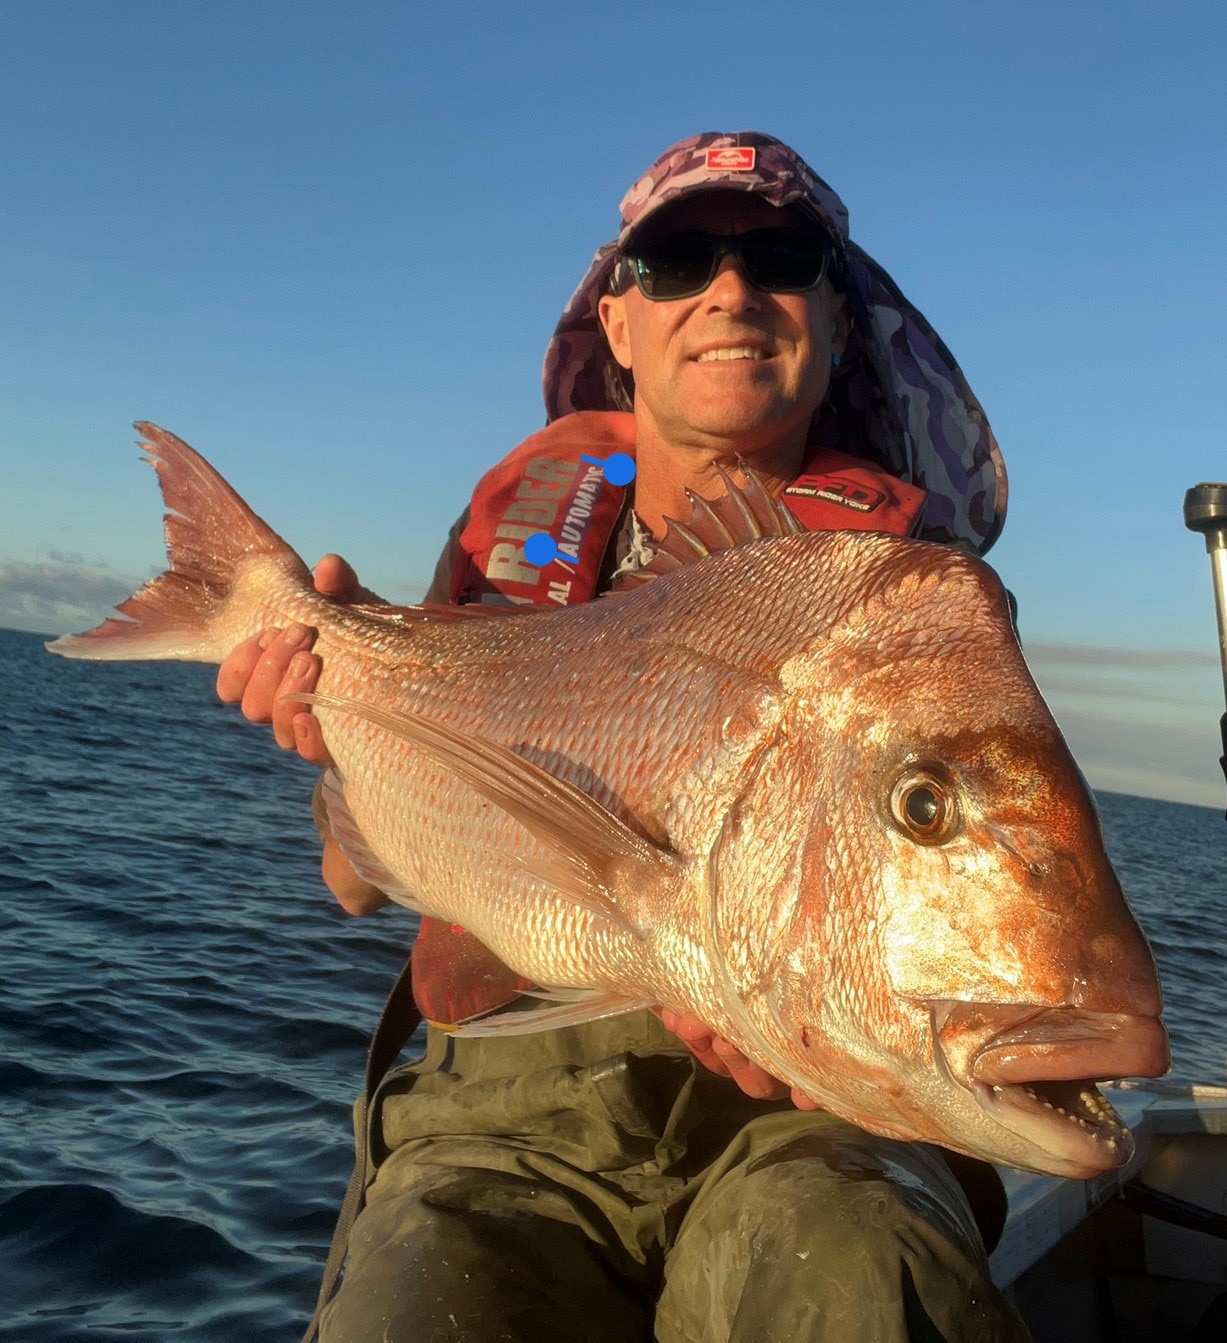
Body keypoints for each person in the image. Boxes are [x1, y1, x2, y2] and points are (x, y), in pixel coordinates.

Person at [220, 132, 1031, 1342]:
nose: (731, 290)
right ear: (617, 321)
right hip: (503, 1127)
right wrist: (336, 727)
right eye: (675, 258)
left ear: (843, 327)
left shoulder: (901, 607)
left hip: (815, 1121)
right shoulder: (504, 558)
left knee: (864, 1274)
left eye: (783, 256)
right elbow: (353, 885)